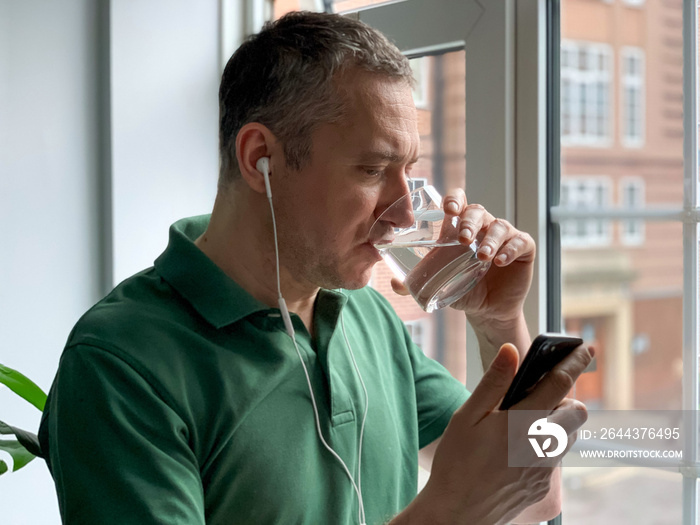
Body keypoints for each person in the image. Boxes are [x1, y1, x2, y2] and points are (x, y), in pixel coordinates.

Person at [39, 11, 592, 525]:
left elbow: (538, 496)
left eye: (409, 171)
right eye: (374, 169)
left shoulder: (368, 317)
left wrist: (498, 324)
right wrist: (444, 512)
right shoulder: (119, 363)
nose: (406, 211)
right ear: (261, 159)